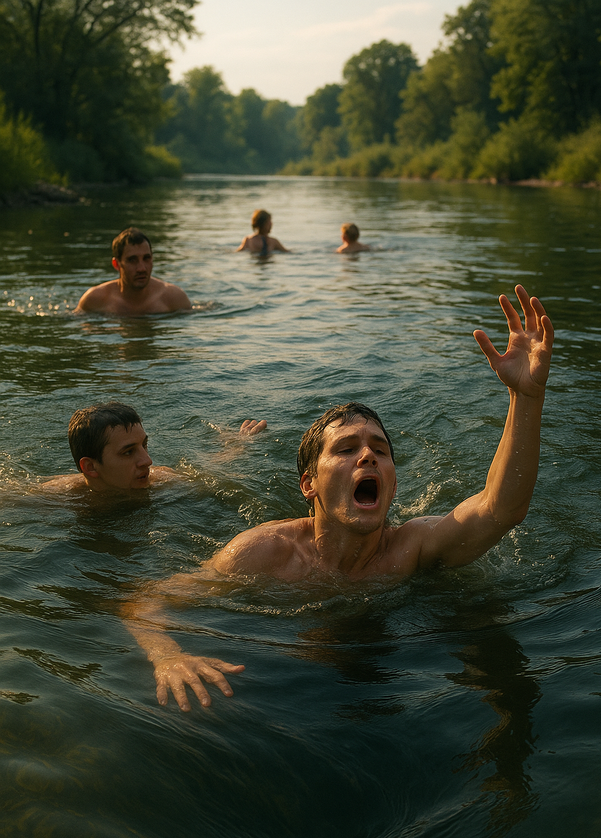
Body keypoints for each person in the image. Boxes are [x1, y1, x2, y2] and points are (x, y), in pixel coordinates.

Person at [121, 285, 554, 711]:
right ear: (308, 484)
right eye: (346, 449)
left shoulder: (413, 547)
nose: (367, 455)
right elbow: (144, 605)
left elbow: (501, 507)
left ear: (393, 485)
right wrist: (168, 657)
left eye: (379, 450)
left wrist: (525, 396)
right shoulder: (262, 553)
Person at [41, 402, 267, 494]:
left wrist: (237, 446)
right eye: (128, 452)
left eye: (144, 445)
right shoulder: (56, 498)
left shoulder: (161, 481)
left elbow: (206, 475)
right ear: (90, 467)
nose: (148, 461)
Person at [75, 227, 192, 316]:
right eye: (132, 260)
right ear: (117, 264)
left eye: (146, 258)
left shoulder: (175, 299)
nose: (142, 268)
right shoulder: (94, 301)